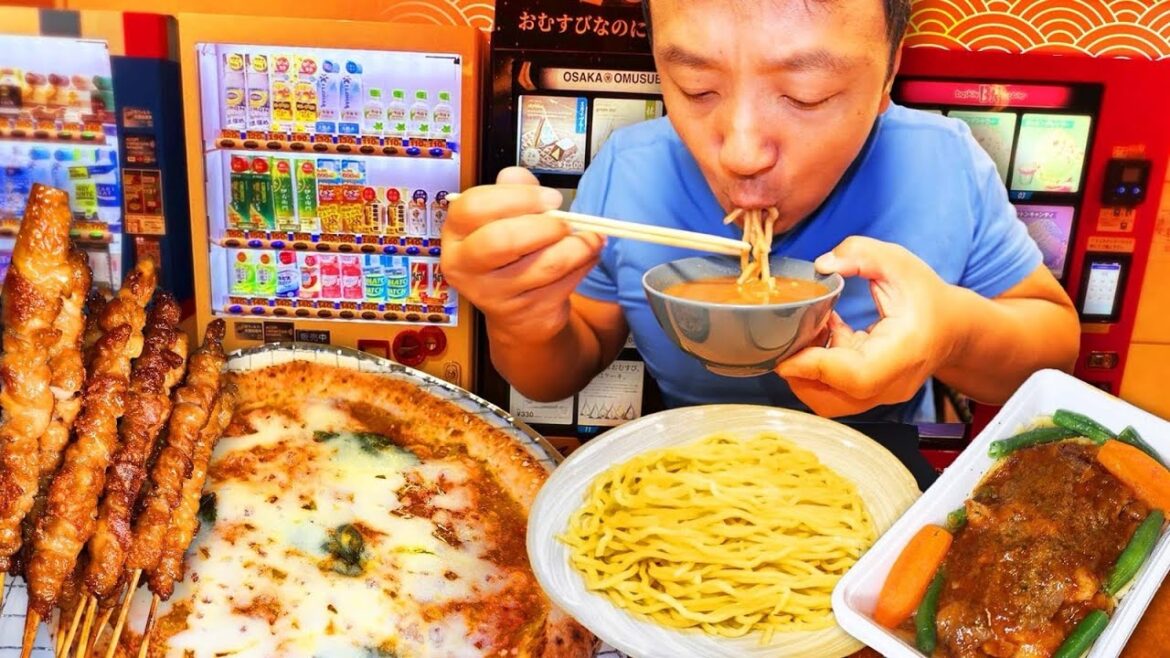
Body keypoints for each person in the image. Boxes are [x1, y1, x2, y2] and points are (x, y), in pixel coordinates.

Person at [440, 0, 1081, 421]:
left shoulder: (943, 163)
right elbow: (563, 368)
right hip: (679, 467)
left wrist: (954, 335)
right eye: (696, 88)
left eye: (807, 94)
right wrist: (523, 320)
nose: (742, 152)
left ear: (889, 74)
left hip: (880, 469)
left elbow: (1053, 344)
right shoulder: (631, 165)